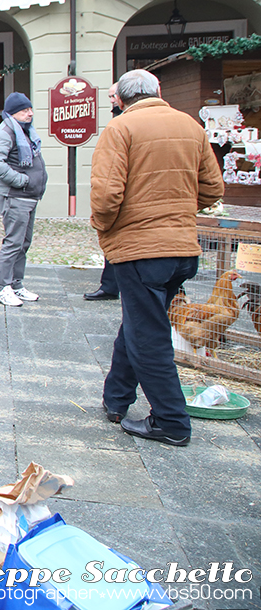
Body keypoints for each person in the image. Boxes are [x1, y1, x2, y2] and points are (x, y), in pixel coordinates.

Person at [92, 68, 223, 447]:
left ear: (121, 99)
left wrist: (108, 229)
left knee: (148, 335)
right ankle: (116, 399)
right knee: (139, 322)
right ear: (158, 90)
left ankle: (171, 421)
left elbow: (105, 197)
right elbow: (213, 187)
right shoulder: (190, 126)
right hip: (181, 249)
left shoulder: (120, 130)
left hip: (142, 251)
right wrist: (178, 211)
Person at [0, 92, 47, 307]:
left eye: (30, 109)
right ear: (12, 113)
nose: (29, 113)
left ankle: (16, 285)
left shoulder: (25, 131)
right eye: (24, 110)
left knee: (24, 243)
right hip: (15, 196)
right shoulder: (5, 132)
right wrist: (22, 180)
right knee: (13, 242)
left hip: (28, 196)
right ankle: (1, 287)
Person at [85, 83, 123, 301]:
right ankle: (109, 286)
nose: (110, 100)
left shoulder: (123, 122)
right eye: (109, 96)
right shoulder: (116, 117)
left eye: (114, 95)